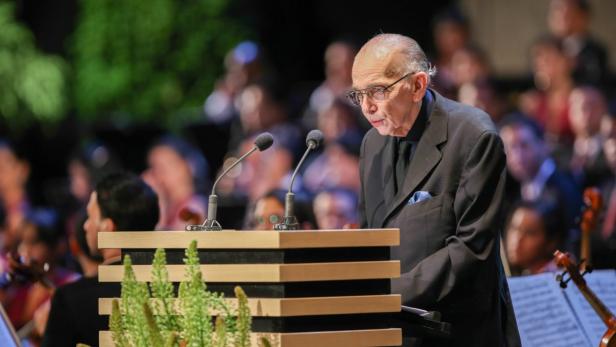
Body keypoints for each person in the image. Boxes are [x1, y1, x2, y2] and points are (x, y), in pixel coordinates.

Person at [350, 33, 519, 346]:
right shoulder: (371, 144)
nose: (366, 106)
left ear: (417, 85)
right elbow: (370, 235)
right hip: (391, 332)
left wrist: (388, 290)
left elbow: (471, 248)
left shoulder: (473, 135)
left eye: (376, 91)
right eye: (358, 94)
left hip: (457, 333)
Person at [41, 172, 160, 347]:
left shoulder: (71, 300)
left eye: (90, 216)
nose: (85, 225)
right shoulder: (174, 290)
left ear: (108, 227)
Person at [504, 201, 564, 275]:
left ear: (550, 242)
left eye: (529, 233)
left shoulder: (556, 276)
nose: (517, 239)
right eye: (514, 228)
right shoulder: (525, 274)